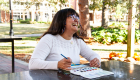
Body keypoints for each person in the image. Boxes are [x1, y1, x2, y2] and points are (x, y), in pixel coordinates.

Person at [29, 8, 101, 71]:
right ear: (61, 21)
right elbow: (33, 64)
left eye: (77, 17)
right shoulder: (49, 39)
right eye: (72, 16)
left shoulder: (77, 41)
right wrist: (57, 64)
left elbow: (93, 55)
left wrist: (96, 60)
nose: (76, 20)